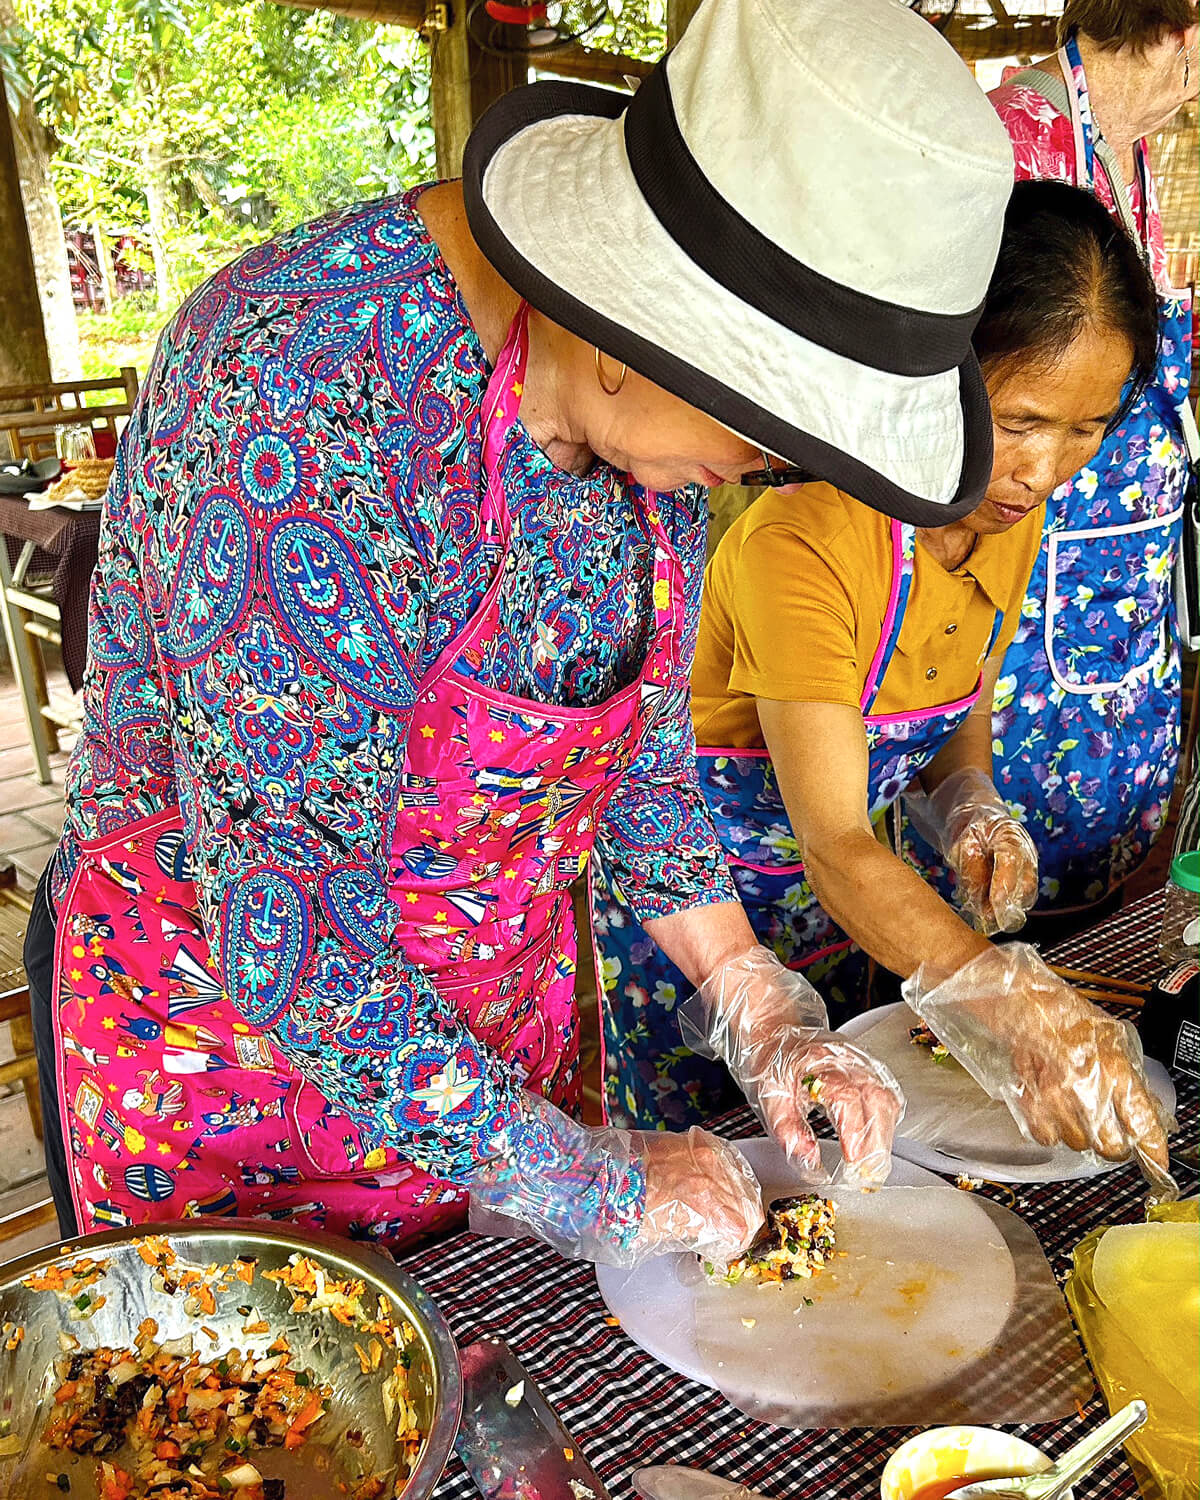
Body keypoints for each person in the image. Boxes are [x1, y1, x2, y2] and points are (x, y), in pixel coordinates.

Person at [24, 0, 1016, 1265]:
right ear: (637, 324)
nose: (756, 474)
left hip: (504, 1075)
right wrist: (589, 1181)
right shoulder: (297, 395)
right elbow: (292, 932)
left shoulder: (647, 454)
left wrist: (747, 991)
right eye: (762, 438)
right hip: (227, 1083)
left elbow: (636, 762)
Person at [593, 182, 1166, 1139]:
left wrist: (966, 798)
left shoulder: (1007, 516)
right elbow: (835, 840)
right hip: (705, 942)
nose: (1044, 471)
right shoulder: (805, 539)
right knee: (728, 1179)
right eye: (1020, 422)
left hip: (862, 919)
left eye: (1087, 429)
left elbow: (959, 685)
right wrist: (1004, 1000)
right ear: (937, 377)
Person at [983, 0, 1198, 922]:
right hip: (1029, 599)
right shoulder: (1011, 145)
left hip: (1122, 609)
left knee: (1102, 908)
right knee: (1004, 892)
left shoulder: (1128, 155)